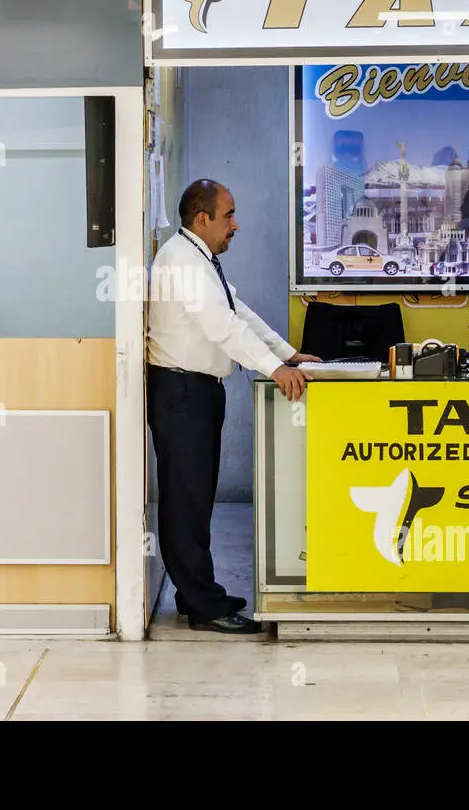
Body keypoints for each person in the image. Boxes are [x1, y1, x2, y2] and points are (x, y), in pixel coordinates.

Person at [147, 180, 321, 634]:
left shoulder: (199, 259)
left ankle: (196, 593)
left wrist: (284, 353)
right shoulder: (182, 262)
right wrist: (273, 369)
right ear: (201, 219)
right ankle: (205, 606)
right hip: (182, 393)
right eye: (228, 215)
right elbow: (222, 326)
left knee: (196, 496)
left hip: (198, 392)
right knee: (186, 499)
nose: (235, 224)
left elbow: (237, 311)